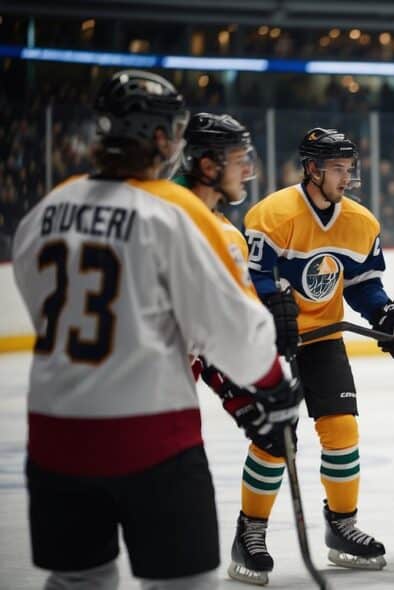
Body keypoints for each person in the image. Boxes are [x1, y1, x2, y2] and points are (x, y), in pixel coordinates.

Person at [11, 70, 300, 590]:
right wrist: (274, 387)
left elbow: (36, 297)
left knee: (78, 579)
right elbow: (231, 330)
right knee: (182, 583)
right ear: (163, 139)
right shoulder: (174, 214)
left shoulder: (50, 207)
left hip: (53, 436)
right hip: (149, 439)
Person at [241, 127, 394, 572]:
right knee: (272, 440)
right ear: (312, 169)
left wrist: (387, 317)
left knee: (342, 432)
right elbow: (251, 279)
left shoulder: (359, 222)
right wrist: (271, 306)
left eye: (348, 168)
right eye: (337, 169)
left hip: (322, 339)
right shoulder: (273, 215)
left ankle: (341, 524)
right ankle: (250, 533)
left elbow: (362, 285)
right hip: (273, 344)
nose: (346, 177)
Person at [175, 111, 302, 585]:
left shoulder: (147, 206)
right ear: (208, 165)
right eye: (237, 159)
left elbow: (197, 332)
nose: (247, 168)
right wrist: (269, 387)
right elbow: (229, 329)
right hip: (161, 404)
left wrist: (241, 391)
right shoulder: (213, 231)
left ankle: (250, 532)